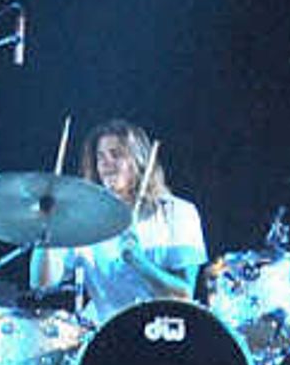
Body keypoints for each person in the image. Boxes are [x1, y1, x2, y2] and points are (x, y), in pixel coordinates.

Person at [33, 116, 205, 324]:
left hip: (165, 336)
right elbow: (41, 284)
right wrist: (48, 226)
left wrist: (140, 263)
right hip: (108, 339)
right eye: (101, 157)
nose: (106, 164)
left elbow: (184, 295)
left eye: (116, 155)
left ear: (139, 159)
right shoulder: (85, 220)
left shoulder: (178, 213)